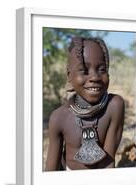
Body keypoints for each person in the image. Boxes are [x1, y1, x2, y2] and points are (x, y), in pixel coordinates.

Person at [45, 37, 124, 171]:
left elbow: (108, 164)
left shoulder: (114, 106)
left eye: (102, 69)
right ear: (69, 75)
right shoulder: (59, 117)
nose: (94, 77)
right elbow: (50, 170)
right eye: (84, 70)